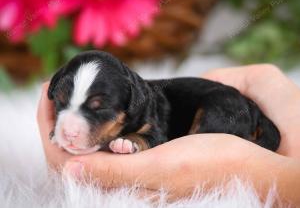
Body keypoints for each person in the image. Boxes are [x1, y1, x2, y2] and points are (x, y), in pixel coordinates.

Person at [37, 64, 300, 206]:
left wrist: (254, 170)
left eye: (98, 109)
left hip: (219, 104)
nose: (70, 127)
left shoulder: (144, 114)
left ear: (131, 103)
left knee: (217, 112)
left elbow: (152, 136)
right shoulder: (127, 99)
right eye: (62, 104)